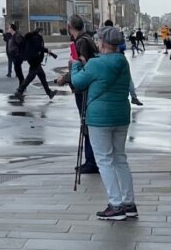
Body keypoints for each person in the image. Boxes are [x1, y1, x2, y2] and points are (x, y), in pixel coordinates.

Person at [57, 25, 137, 220]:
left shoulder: (95, 64)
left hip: (100, 117)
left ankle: (115, 205)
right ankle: (129, 203)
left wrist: (75, 64)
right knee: (120, 158)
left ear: (102, 42)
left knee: (104, 159)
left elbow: (77, 82)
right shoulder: (122, 61)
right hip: (121, 114)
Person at [67, 15, 99, 174]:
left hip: (83, 89)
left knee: (86, 124)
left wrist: (67, 78)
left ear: (69, 26)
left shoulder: (81, 42)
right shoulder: (87, 39)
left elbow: (82, 66)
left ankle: (91, 161)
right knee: (87, 123)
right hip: (85, 87)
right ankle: (92, 160)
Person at [12, 29, 55, 102]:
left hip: (32, 59)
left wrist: (47, 50)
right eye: (42, 32)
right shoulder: (36, 38)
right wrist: (47, 50)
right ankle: (19, 91)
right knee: (31, 77)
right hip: (35, 60)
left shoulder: (32, 37)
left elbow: (37, 48)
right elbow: (38, 47)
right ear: (39, 32)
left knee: (42, 76)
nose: (43, 34)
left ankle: (49, 93)